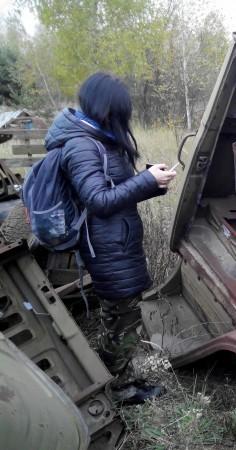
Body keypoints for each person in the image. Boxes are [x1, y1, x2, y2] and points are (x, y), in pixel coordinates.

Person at [44, 72, 176, 404]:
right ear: (107, 108)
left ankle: (122, 381)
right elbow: (99, 202)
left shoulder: (98, 140)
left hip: (116, 244)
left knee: (121, 319)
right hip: (106, 249)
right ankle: (118, 389)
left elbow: (113, 196)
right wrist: (145, 180)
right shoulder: (81, 145)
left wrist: (152, 184)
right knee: (121, 321)